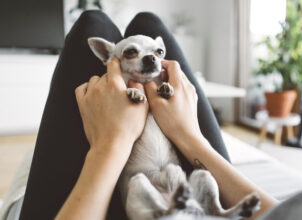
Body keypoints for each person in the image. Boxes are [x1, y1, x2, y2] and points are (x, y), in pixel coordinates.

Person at [18, 10, 277, 220]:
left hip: (137, 200)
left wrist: (109, 145)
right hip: (193, 197)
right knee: (147, 21)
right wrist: (190, 135)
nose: (152, 59)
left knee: (92, 21)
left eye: (157, 54)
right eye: (133, 52)